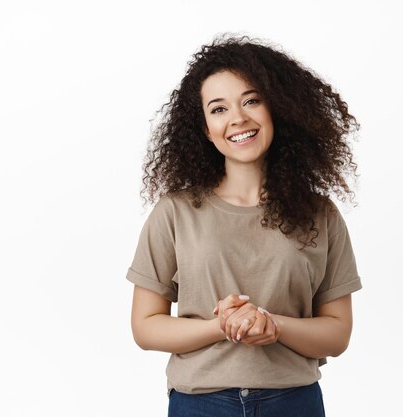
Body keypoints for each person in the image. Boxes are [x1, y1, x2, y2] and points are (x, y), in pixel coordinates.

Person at [126, 34, 362, 417]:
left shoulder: (320, 214)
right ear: (204, 128)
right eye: (218, 109)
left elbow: (337, 334)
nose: (238, 118)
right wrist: (223, 326)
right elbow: (145, 326)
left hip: (293, 402)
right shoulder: (174, 212)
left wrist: (273, 325)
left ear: (277, 108)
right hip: (200, 404)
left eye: (251, 100)